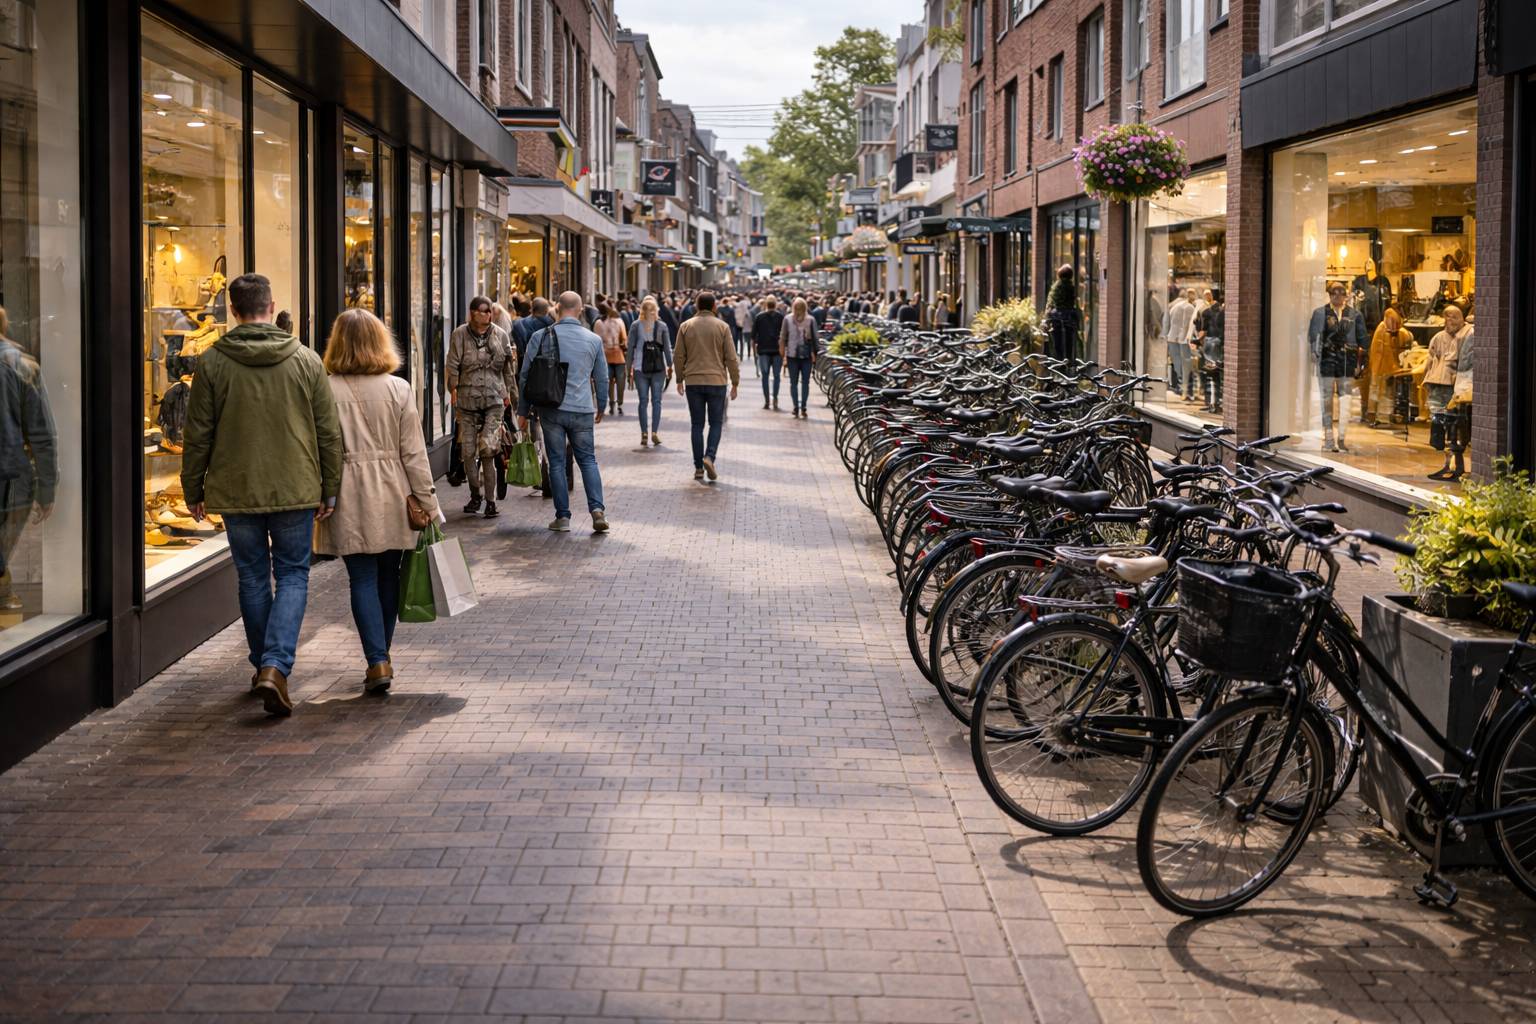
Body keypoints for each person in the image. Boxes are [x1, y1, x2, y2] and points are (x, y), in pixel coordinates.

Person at [181, 273, 342, 717]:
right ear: (271, 308)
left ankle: (264, 666)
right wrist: (332, 486)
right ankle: (275, 666)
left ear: (233, 311)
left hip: (236, 488)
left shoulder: (213, 362)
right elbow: (328, 433)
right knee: (292, 575)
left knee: (252, 577)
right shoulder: (306, 361)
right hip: (295, 487)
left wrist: (192, 486)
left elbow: (197, 434)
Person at [314, 309, 438, 694]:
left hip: (347, 492)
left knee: (362, 577)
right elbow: (414, 454)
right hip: (394, 492)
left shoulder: (325, 388)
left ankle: (376, 659)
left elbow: (318, 448)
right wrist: (429, 503)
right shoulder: (398, 389)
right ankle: (381, 655)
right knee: (390, 575)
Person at [517, 291, 609, 533]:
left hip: (551, 409)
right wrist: (601, 404)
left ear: (556, 309)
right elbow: (601, 377)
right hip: (582, 409)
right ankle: (597, 510)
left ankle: (563, 517)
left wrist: (523, 411)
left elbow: (525, 375)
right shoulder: (593, 340)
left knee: (556, 463)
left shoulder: (540, 336)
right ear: (579, 310)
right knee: (588, 460)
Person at [0, 307, 57, 616]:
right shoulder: (23, 366)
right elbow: (42, 434)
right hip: (11, 478)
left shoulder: (21, 366)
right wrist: (48, 489)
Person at [445, 296, 517, 518]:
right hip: (466, 402)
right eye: (482, 311)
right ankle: (475, 494)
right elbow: (452, 365)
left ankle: (491, 501)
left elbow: (508, 369)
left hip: (494, 400)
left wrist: (512, 397)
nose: (487, 315)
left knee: (488, 449)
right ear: (472, 312)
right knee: (467, 453)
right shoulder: (459, 335)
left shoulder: (500, 335)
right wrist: (453, 390)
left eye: (489, 311)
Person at [673, 291, 740, 483]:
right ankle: (709, 456)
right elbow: (731, 357)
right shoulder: (722, 327)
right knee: (716, 423)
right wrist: (735, 382)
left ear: (696, 306)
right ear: (714, 307)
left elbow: (678, 356)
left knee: (696, 424)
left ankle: (698, 467)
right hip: (717, 381)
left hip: (693, 381)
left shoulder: (686, 326)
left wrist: (679, 379)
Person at [1308, 281, 1369, 453]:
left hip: (1346, 363)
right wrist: (1315, 353)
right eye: (1334, 292)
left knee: (1345, 401)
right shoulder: (1320, 313)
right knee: (1326, 400)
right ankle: (1328, 437)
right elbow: (1313, 337)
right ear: (1329, 294)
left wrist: (1360, 361)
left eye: (1341, 292)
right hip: (1327, 361)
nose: (1337, 296)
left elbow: (1364, 340)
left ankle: (1342, 438)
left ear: (1346, 294)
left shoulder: (1355, 315)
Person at [1424, 303, 1472, 476]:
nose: (1449, 320)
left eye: (1454, 317)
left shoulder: (1467, 334)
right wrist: (1427, 380)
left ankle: (1456, 465)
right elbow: (1431, 358)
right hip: (1437, 384)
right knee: (1439, 424)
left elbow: (1464, 361)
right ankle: (1447, 463)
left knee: (1455, 426)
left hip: (1456, 387)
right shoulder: (1438, 337)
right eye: (1447, 316)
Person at [627, 296, 673, 448]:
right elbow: (667, 349)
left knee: (643, 401)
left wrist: (629, 368)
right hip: (658, 369)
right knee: (657, 401)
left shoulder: (635, 325)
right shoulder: (662, 326)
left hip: (640, 367)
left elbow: (630, 349)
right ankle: (654, 432)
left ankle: (644, 433)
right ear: (656, 310)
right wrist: (670, 366)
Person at [1367, 307, 1413, 426]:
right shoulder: (1382, 329)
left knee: (1384, 391)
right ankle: (1377, 416)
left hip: (1386, 367)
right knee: (1379, 390)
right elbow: (1381, 351)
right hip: (1381, 367)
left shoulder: (1394, 330)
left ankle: (1383, 416)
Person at [780, 297, 820, 419]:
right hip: (805, 355)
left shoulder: (788, 319)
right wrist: (816, 354)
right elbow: (815, 339)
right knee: (805, 383)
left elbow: (783, 337)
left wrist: (783, 353)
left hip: (793, 355)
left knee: (794, 383)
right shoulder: (810, 320)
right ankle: (802, 406)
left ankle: (797, 407)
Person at [751, 295, 786, 410]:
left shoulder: (759, 317)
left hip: (763, 350)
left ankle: (767, 400)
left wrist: (753, 351)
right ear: (775, 304)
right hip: (776, 350)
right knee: (776, 376)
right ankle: (775, 398)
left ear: (766, 304)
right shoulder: (781, 317)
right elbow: (784, 335)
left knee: (765, 376)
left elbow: (753, 336)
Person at [1193, 290, 1225, 413]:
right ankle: (1216, 403)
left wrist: (1197, 341)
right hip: (1220, 343)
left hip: (1210, 343)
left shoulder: (1206, 312)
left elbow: (1202, 330)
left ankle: (1212, 403)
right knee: (1218, 374)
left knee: (1211, 375)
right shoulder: (1224, 312)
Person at [1162, 289, 1197, 397]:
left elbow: (1166, 321)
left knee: (1177, 363)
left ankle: (1179, 387)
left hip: (1172, 337)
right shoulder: (1189, 307)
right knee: (1186, 363)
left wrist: (1165, 334)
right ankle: (1186, 389)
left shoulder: (1173, 305)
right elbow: (1187, 325)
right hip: (1182, 339)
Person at [1044, 265, 1081, 362]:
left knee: (1057, 342)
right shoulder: (1071, 287)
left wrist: (1047, 318)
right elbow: (1075, 303)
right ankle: (1069, 360)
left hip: (1057, 318)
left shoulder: (1056, 286)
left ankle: (1059, 362)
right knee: (1070, 341)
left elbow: (1050, 303)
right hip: (1069, 318)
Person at [597, 303, 628, 416]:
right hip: (618, 356)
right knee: (620, 382)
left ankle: (611, 404)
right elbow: (624, 339)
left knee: (609, 382)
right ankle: (619, 404)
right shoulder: (619, 322)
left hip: (605, 356)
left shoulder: (599, 323)